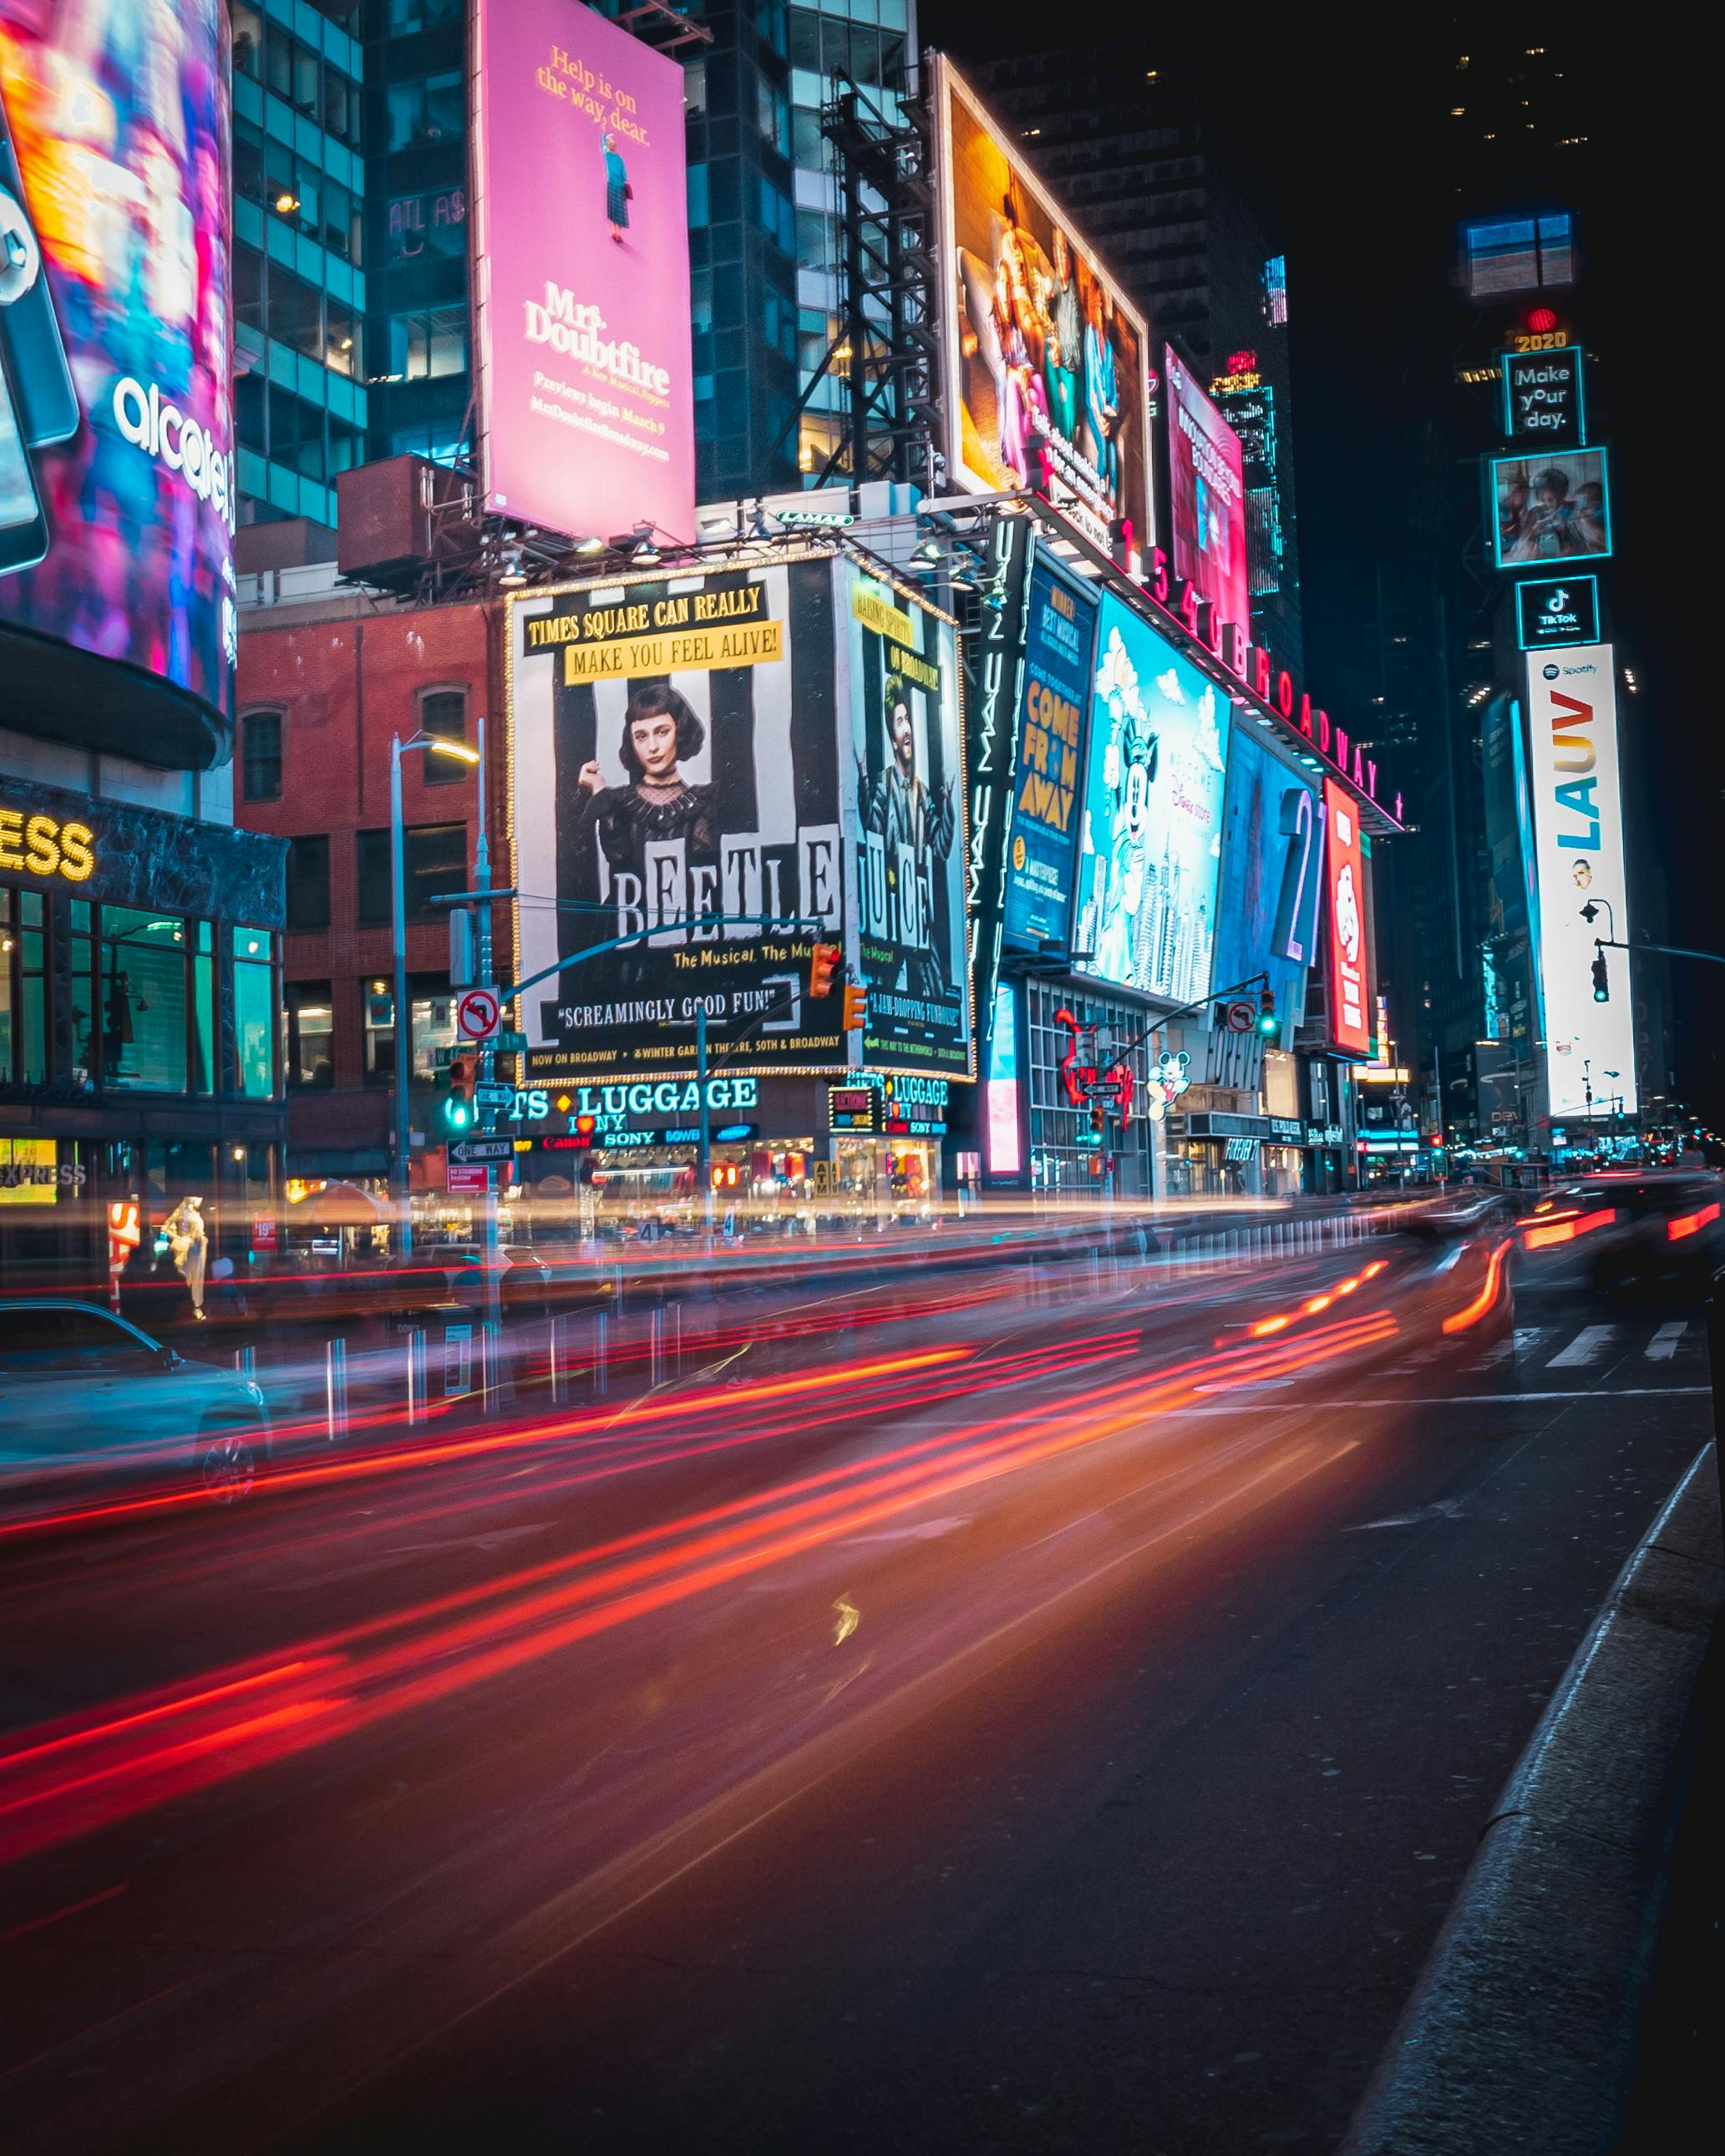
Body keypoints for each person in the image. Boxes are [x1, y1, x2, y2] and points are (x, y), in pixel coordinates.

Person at [571, 683, 718, 956]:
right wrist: (598, 789)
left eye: (662, 732)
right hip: (629, 942)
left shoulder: (707, 802)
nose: (652, 747)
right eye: (641, 736)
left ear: (681, 732)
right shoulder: (614, 802)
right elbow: (618, 863)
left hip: (693, 942)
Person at [858, 676, 955, 1002]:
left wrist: (948, 804)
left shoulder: (922, 790)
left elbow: (940, 845)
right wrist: (861, 782)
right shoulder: (884, 784)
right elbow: (872, 825)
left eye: (907, 719)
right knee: (885, 983)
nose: (908, 728)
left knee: (936, 985)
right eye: (900, 722)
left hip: (918, 911)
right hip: (891, 902)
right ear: (893, 737)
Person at [1044, 228, 1083, 445]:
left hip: (1074, 369)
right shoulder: (1055, 283)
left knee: (1067, 385)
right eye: (1055, 250)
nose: (1059, 257)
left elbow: (1076, 354)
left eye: (1063, 251)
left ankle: (1066, 448)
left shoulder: (1074, 296)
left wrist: (1062, 356)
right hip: (1060, 360)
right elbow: (1050, 320)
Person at [161, 1195, 209, 1321]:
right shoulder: (182, 1211)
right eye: (197, 1197)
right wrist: (180, 1238)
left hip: (199, 1246)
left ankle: (197, 1307)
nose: (200, 1200)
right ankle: (185, 1306)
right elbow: (165, 1227)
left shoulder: (197, 1213)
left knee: (198, 1278)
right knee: (185, 1277)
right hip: (187, 1247)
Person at [602, 130, 631, 244]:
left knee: (613, 209)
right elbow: (624, 175)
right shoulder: (619, 158)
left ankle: (613, 231)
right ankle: (619, 233)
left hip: (612, 185)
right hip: (619, 187)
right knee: (619, 211)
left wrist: (603, 131)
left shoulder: (607, 156)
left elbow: (602, 143)